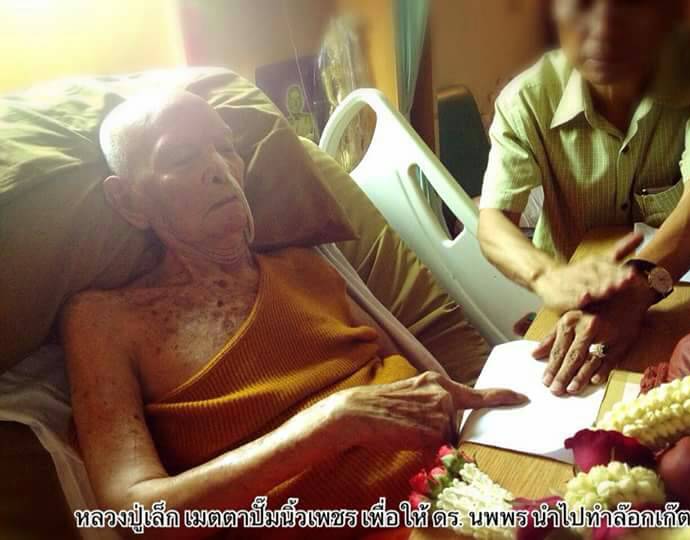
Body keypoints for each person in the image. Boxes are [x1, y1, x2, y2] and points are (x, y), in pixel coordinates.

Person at [59, 90, 526, 539]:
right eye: (182, 158)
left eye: (227, 149)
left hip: (472, 489)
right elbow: (140, 515)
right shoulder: (104, 322)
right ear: (128, 202)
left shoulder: (307, 266)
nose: (220, 168)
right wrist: (327, 427)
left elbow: (423, 381)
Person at [477, 0, 690, 396]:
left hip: (684, 292)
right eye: (582, 5)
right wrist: (545, 275)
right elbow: (493, 222)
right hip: (579, 309)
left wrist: (637, 288)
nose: (604, 29)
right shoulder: (526, 99)